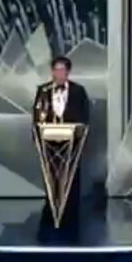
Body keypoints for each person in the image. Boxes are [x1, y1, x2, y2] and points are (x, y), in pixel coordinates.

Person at [33, 56, 90, 240]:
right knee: (51, 179)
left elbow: (85, 117)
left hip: (71, 146)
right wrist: (37, 137)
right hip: (49, 145)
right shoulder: (43, 90)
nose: (59, 73)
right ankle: (51, 216)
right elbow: (36, 116)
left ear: (68, 72)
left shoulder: (78, 91)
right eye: (56, 70)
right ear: (52, 72)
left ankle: (70, 221)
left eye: (62, 70)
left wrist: (79, 135)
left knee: (71, 181)